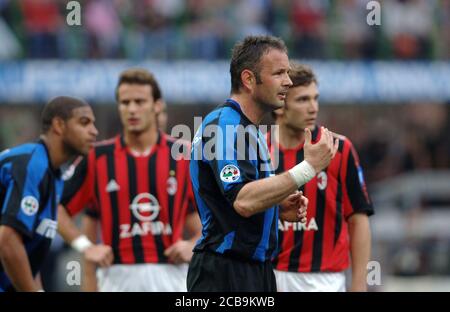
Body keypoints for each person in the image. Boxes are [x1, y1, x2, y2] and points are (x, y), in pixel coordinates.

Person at [188, 35, 338, 292]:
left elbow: (235, 203)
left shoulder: (251, 131)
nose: (288, 82)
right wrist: (308, 168)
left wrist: (275, 207)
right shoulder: (224, 125)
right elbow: (243, 201)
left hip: (256, 271)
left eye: (287, 73)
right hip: (224, 274)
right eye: (279, 73)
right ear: (248, 79)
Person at [59, 68, 201, 292]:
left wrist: (193, 245)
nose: (132, 109)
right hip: (117, 278)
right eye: (125, 102)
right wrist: (85, 246)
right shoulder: (97, 157)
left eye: (139, 101)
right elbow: (55, 207)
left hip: (170, 278)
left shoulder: (183, 154)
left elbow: (211, 222)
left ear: (156, 106)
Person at [270, 63, 374, 292]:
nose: (313, 108)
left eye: (315, 98)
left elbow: (358, 220)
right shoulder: (258, 151)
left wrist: (359, 285)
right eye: (302, 100)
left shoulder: (339, 148)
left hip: (323, 281)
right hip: (268, 277)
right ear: (279, 106)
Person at [0, 96, 100, 291]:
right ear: (59, 125)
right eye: (84, 122)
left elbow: (27, 259)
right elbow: (8, 243)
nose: (94, 132)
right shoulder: (32, 165)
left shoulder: (54, 177)